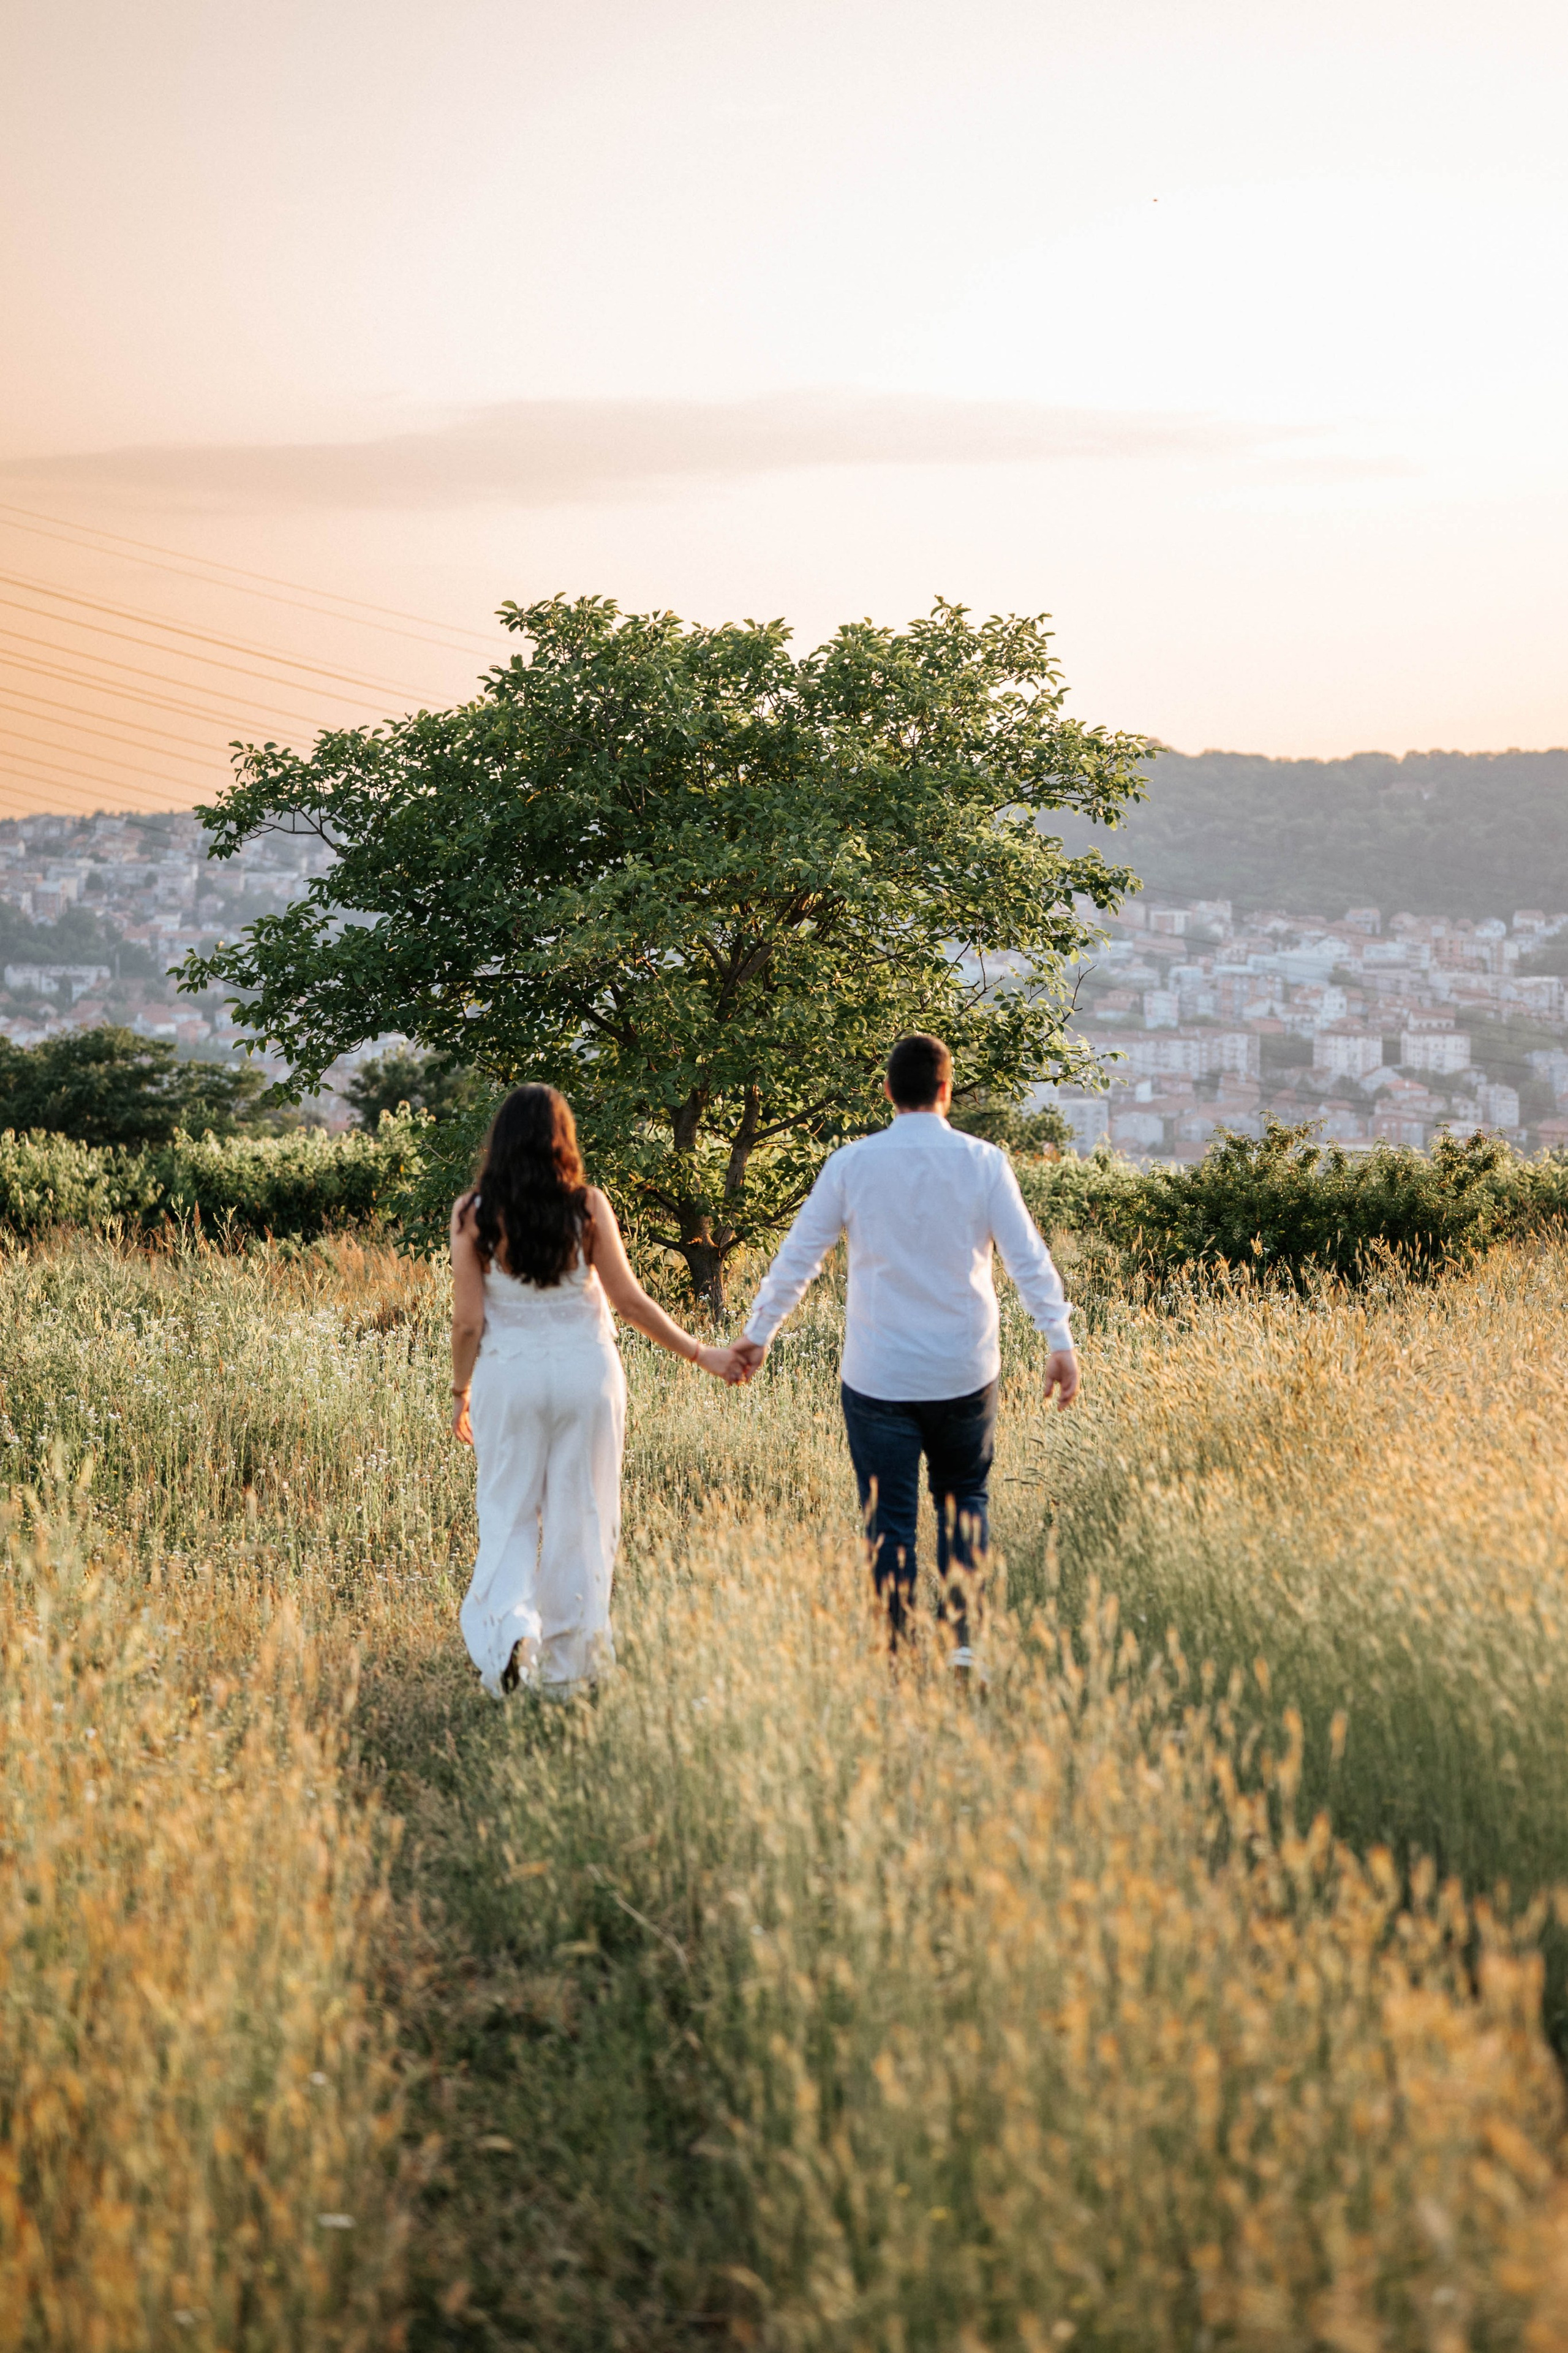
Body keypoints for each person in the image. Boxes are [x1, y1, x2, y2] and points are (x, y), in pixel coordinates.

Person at [732, 1033, 1078, 1663]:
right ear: (947, 1091)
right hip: (964, 1368)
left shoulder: (851, 1164)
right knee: (963, 1500)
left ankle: (895, 1649)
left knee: (888, 1518)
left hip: (879, 1375)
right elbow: (1027, 1256)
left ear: (887, 1091)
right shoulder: (983, 1162)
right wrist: (1058, 1338)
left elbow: (798, 1259)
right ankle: (962, 1644)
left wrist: (759, 1334)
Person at [451, 1084, 744, 1698]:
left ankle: (509, 1634)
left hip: (512, 1374)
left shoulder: (473, 1214)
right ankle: (570, 1669)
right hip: (588, 1374)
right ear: (564, 1138)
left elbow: (469, 1323)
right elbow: (631, 1302)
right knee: (581, 1514)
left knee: (507, 1512)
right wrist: (702, 1353)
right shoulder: (587, 1207)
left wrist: (461, 1389)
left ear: (500, 1141)